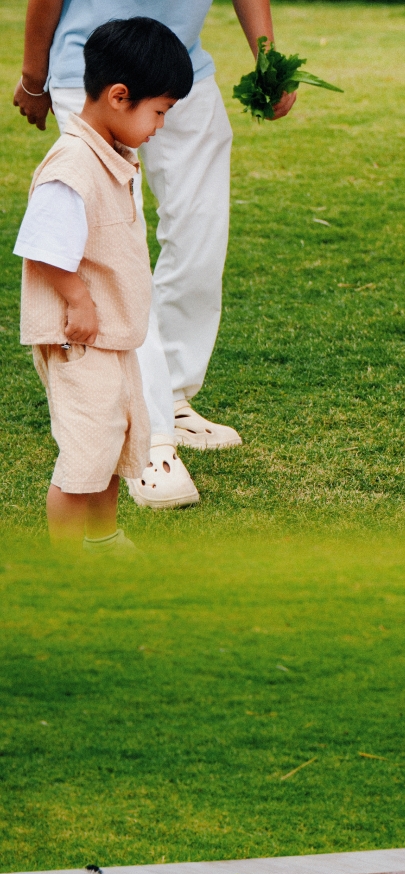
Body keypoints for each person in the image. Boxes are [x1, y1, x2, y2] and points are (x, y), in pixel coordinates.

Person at [13, 1, 295, 509]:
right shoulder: (83, 146)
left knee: (201, 229)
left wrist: (267, 57)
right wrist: (35, 77)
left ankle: (172, 395)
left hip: (179, 64)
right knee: (116, 244)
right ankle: (151, 444)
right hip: (95, 67)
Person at [13, 18, 194, 551]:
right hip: (81, 341)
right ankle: (68, 563)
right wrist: (79, 300)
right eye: (158, 111)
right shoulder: (73, 165)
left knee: (114, 445)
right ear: (120, 96)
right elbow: (43, 246)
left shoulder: (111, 155)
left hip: (113, 341)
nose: (161, 124)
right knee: (84, 457)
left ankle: (103, 537)